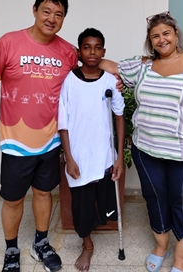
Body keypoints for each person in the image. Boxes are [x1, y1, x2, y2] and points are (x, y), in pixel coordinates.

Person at [99, 11, 183, 272]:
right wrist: (73, 53)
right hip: (147, 151)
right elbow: (110, 66)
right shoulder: (143, 66)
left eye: (166, 33)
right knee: (155, 198)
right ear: (150, 41)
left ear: (175, 35)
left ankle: (181, 259)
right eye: (155, 36)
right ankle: (161, 246)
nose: (161, 40)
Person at [0, 0, 78, 272]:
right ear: (34, 10)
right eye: (46, 11)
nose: (52, 18)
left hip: (50, 140)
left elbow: (90, 69)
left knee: (45, 194)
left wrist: (117, 73)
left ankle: (41, 243)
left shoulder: (67, 51)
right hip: (15, 140)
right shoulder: (9, 42)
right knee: (13, 199)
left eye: (59, 14)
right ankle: (11, 249)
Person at [58, 28, 125, 272]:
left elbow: (119, 117)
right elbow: (63, 122)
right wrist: (68, 157)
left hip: (104, 155)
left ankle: (97, 227)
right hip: (79, 156)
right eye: (87, 47)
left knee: (103, 200)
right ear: (79, 51)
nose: (92, 52)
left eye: (97, 47)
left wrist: (117, 157)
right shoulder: (69, 81)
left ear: (104, 51)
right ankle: (87, 245)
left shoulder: (110, 81)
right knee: (81, 205)